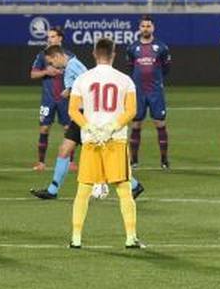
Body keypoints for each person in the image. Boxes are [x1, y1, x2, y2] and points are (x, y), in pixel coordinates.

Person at [30, 47, 142, 201]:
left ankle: (134, 185)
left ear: (57, 56)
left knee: (103, 156)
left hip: (87, 116)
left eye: (52, 62)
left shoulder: (73, 66)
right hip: (82, 116)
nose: (53, 66)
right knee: (65, 149)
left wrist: (68, 92)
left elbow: (89, 86)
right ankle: (52, 190)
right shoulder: (72, 66)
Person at [67, 39, 143, 250]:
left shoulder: (82, 79)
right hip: (115, 140)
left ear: (94, 53)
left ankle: (76, 238)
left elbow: (73, 110)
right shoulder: (125, 80)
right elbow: (131, 111)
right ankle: (130, 237)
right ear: (113, 54)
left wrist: (90, 127)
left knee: (83, 191)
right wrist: (111, 127)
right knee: (124, 191)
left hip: (91, 141)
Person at [126, 16, 172, 170]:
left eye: (148, 26)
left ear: (153, 28)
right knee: (136, 125)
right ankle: (134, 160)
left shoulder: (162, 47)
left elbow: (166, 68)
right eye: (143, 26)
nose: (146, 28)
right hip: (138, 92)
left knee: (160, 123)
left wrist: (156, 80)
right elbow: (130, 68)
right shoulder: (132, 48)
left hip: (155, 92)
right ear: (139, 28)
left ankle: (164, 160)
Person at [30, 24, 69, 171]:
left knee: (68, 129)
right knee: (44, 129)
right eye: (48, 37)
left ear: (60, 38)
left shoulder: (69, 56)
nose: (50, 39)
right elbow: (33, 74)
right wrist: (46, 71)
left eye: (52, 36)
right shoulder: (42, 56)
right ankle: (41, 162)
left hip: (65, 99)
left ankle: (70, 162)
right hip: (48, 99)